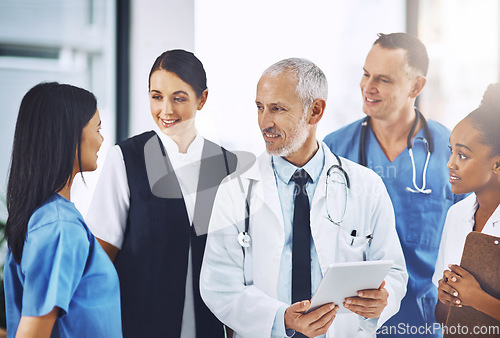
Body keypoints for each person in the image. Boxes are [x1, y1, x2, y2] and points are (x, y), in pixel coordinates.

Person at [200, 58, 407, 338]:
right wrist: (281, 318)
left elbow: (393, 272)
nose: (264, 122)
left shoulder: (366, 186)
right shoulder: (235, 190)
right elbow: (219, 285)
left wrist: (383, 300)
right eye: (260, 107)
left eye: (277, 109)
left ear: (315, 111)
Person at [85, 49, 237, 337]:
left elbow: (237, 268)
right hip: (138, 327)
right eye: (157, 97)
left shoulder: (227, 167)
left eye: (178, 98)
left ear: (202, 99)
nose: (166, 110)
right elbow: (100, 263)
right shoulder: (126, 158)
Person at [323, 33, 465, 337]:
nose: (368, 87)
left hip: (425, 322)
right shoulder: (333, 150)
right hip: (353, 321)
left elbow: (472, 236)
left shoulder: (452, 152)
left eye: (383, 80)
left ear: (416, 86)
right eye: (365, 74)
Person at [3, 82, 121, 337]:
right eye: (98, 128)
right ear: (69, 134)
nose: (101, 139)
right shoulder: (59, 227)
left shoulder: (43, 218)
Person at [433, 82, 500, 323]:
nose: (450, 164)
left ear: (497, 164)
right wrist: (445, 296)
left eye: (463, 155)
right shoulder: (456, 215)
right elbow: (442, 318)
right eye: (450, 151)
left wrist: (475, 297)